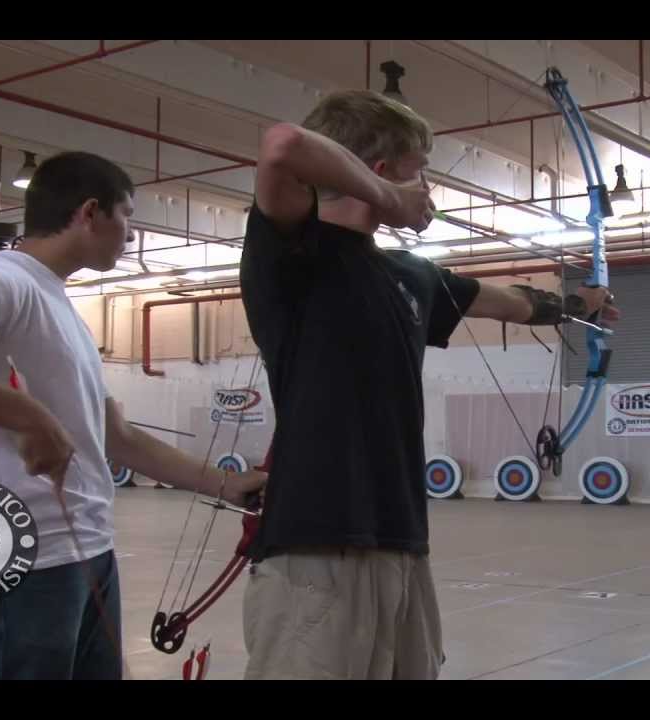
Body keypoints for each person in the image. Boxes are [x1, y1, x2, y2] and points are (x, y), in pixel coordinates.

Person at [239, 90, 618, 680]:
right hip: (317, 543)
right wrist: (391, 199)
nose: (428, 191)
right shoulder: (294, 251)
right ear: (382, 171)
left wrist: (573, 306)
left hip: (401, 541)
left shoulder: (408, 275)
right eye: (420, 172)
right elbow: (283, 145)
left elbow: (508, 302)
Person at [0, 151, 267, 680]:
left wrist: (224, 484)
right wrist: (29, 416)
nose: (133, 236)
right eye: (128, 218)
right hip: (13, 556)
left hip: (81, 548)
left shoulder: (56, 303)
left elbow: (115, 437)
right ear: (90, 212)